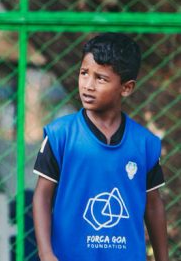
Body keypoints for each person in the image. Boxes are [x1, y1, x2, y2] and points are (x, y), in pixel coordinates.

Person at [32, 33, 168, 261]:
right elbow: (42, 196)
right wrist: (46, 253)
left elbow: (154, 206)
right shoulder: (60, 135)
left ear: (126, 88)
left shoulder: (145, 144)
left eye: (101, 78)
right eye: (84, 73)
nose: (88, 85)